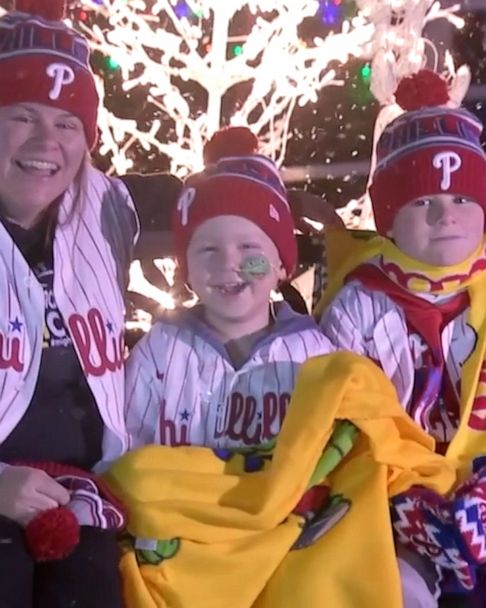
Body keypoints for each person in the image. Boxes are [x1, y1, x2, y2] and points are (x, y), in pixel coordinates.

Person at [319, 70, 486, 606]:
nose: (445, 216)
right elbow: (338, 418)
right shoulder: (359, 302)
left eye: (462, 198)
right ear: (388, 217)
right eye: (421, 203)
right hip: (393, 498)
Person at [0, 1, 140, 606]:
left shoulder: (103, 212)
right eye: (22, 115)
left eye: (67, 123)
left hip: (84, 493)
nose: (46, 141)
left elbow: (223, 228)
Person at [125, 128, 334, 449]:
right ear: (187, 270)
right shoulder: (160, 352)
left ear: (281, 265)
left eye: (249, 248)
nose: (229, 264)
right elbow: (125, 458)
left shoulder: (314, 354)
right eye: (208, 250)